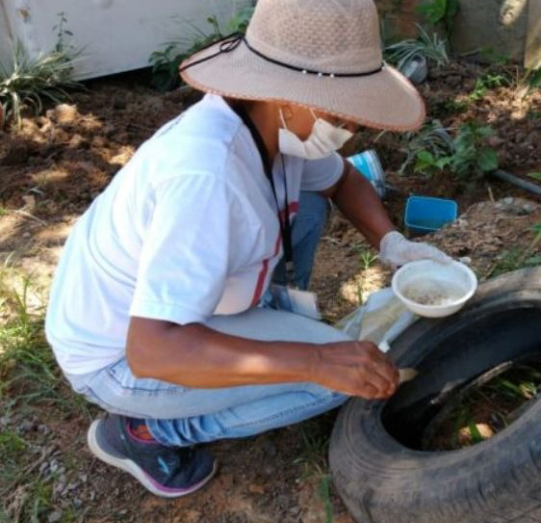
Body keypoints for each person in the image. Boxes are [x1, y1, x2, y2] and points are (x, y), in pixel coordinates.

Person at [44, 0, 451, 499]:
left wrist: (393, 243)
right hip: (121, 356)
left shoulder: (267, 124)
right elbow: (151, 349)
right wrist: (314, 362)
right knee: (334, 380)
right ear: (288, 95)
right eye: (340, 108)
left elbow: (343, 180)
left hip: (167, 318)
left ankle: (266, 320)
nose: (351, 125)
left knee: (308, 203)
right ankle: (147, 432)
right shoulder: (208, 178)